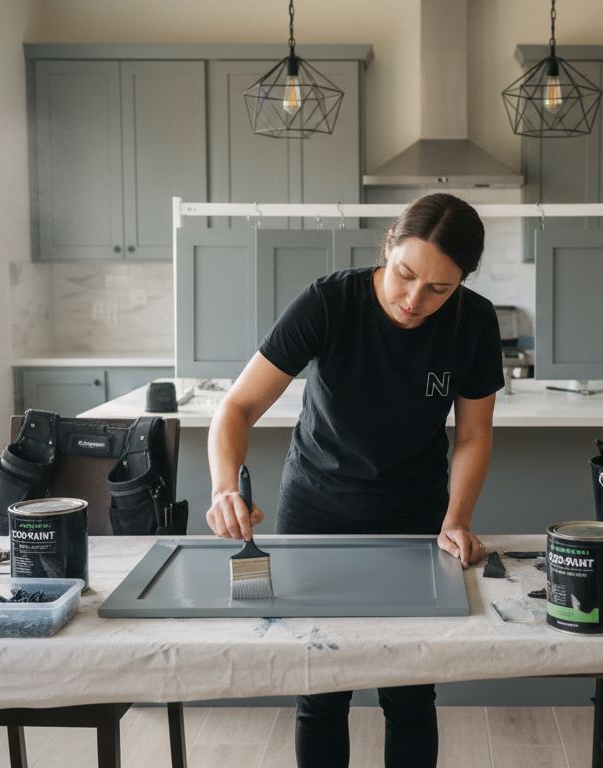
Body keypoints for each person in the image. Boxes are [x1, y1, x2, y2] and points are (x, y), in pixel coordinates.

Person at [205, 192, 504, 767]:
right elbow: (236, 408)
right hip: (315, 514)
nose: (414, 300)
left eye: (439, 289)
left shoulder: (475, 322)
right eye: (405, 275)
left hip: (414, 519)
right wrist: (224, 487)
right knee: (321, 692)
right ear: (388, 246)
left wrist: (457, 520)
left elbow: (473, 435)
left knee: (411, 694)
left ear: (462, 282)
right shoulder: (330, 302)